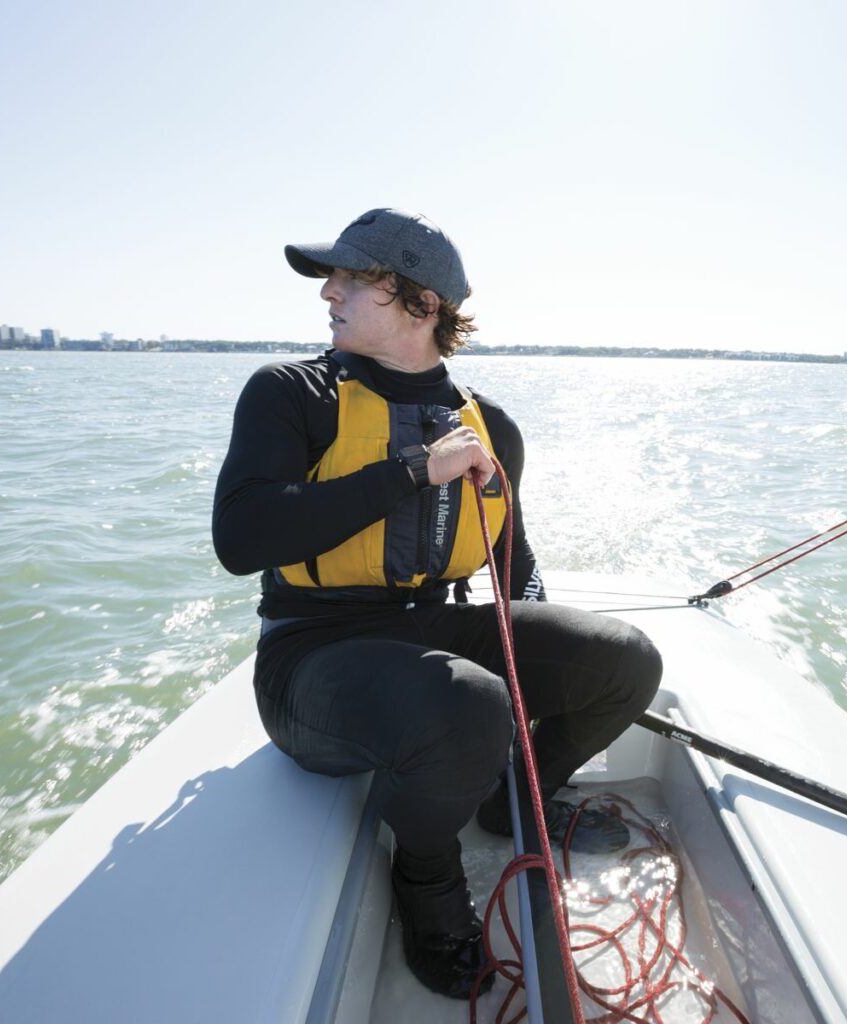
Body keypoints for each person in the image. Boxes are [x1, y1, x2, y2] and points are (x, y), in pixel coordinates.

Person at [211, 208, 662, 999]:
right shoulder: (291, 393)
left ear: (421, 304)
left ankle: (513, 797)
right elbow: (241, 539)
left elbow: (513, 561)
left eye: (353, 277)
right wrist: (414, 470)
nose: (329, 292)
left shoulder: (491, 425)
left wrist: (538, 665)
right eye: (333, 277)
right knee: (468, 705)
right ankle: (426, 880)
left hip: (431, 625)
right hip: (311, 658)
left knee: (623, 661)